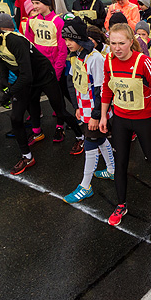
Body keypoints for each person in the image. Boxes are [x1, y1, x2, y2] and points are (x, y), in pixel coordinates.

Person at [0, 11, 84, 175]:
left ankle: (80, 137)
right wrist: (3, 81)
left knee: (60, 111)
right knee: (15, 117)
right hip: (25, 76)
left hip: (42, 75)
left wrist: (10, 92)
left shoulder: (13, 40)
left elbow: (27, 75)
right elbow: (2, 61)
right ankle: (27, 156)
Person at [100, 23, 151, 226]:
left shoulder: (143, 61)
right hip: (121, 118)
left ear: (132, 42)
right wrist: (104, 116)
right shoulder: (109, 61)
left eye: (121, 43)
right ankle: (121, 204)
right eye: (113, 43)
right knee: (120, 162)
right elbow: (107, 89)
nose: (117, 48)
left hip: (144, 118)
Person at [62, 17, 116, 203]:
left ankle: (85, 186)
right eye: (66, 39)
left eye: (70, 39)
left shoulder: (96, 59)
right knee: (99, 139)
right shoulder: (76, 56)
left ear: (79, 38)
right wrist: (77, 107)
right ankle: (111, 170)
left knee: (90, 143)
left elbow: (102, 89)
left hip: (96, 111)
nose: (67, 43)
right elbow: (72, 81)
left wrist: (96, 115)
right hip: (84, 109)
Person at [23, 0, 68, 143]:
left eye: (37, 3)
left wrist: (57, 72)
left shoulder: (57, 21)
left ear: (47, 3)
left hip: (53, 70)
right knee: (32, 98)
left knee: (57, 101)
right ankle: (36, 130)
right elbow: (28, 44)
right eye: (33, 2)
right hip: (37, 70)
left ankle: (60, 127)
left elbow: (62, 50)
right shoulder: (32, 20)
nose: (33, 6)